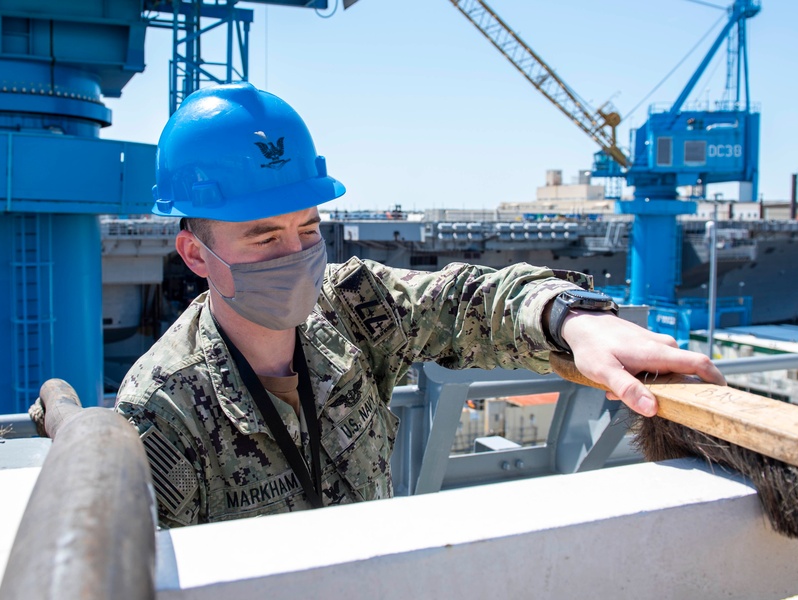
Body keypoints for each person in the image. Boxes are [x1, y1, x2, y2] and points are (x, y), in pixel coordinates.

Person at [114, 83, 725, 527]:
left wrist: (571, 318)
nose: (297, 253)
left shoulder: (350, 311)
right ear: (195, 254)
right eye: (264, 236)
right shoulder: (164, 409)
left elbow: (468, 300)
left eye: (307, 228)